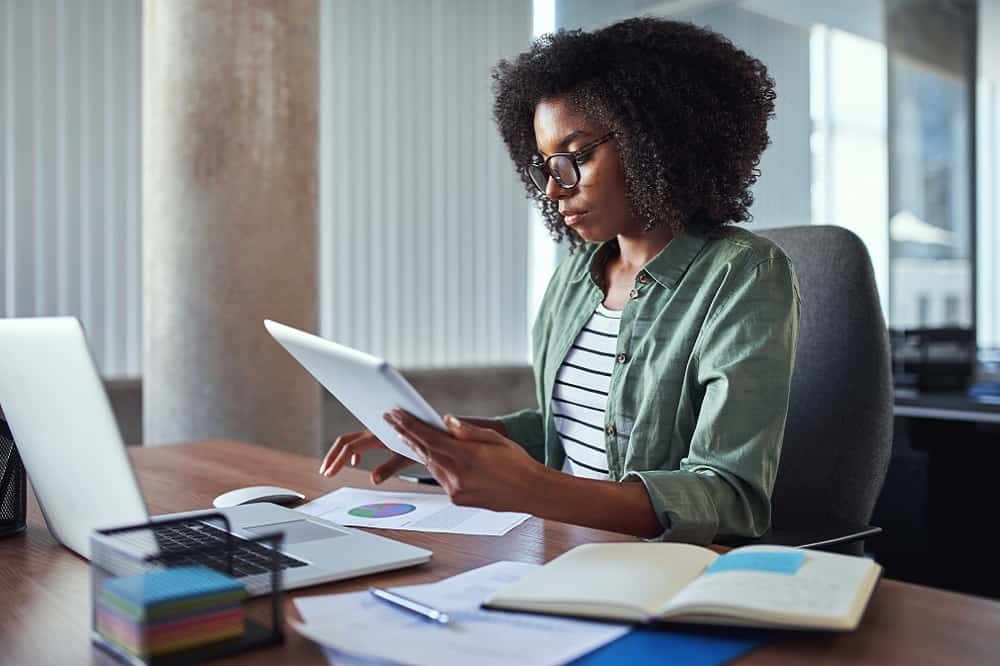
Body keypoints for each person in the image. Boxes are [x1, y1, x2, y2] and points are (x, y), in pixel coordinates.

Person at [319, 17, 799, 544]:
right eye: (545, 164)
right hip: (562, 548)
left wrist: (532, 489)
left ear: (656, 140)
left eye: (574, 157)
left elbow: (730, 499)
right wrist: (440, 440)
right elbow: (565, 434)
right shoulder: (576, 274)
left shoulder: (743, 274)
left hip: (657, 573)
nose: (553, 188)